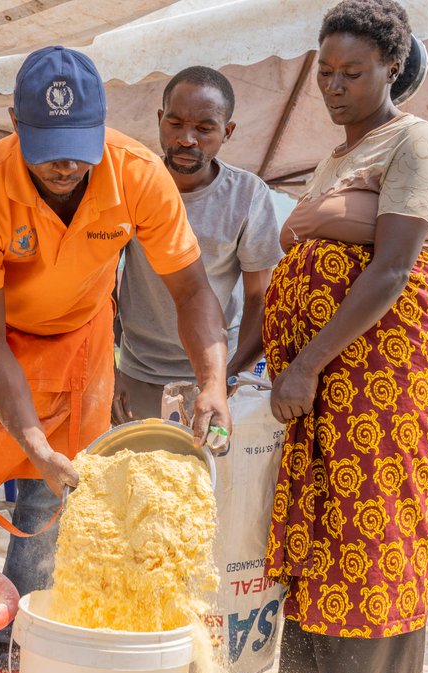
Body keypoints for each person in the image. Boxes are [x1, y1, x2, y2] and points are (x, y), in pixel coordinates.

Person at [0, 45, 231, 673]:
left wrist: (213, 380)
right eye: (47, 147)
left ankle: (15, 661)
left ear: (104, 125)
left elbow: (192, 291)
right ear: (15, 122)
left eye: (79, 146)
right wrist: (27, 437)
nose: (65, 164)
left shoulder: (137, 175)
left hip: (77, 347)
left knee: (49, 511)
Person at [251, 1, 428, 673]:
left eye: (354, 73)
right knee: (317, 535)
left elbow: (391, 270)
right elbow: (291, 279)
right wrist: (230, 367)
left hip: (382, 383)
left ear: (392, 70)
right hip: (325, 383)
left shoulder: (415, 140)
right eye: (326, 74)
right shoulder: (334, 157)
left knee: (369, 541)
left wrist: (303, 368)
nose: (334, 87)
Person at [113, 67, 282, 420]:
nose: (187, 139)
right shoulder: (131, 184)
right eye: (175, 124)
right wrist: (108, 368)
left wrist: (225, 376)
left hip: (217, 371)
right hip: (138, 373)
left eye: (205, 128)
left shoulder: (248, 195)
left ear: (227, 132)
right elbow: (100, 281)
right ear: (160, 120)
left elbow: (260, 297)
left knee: (210, 474)